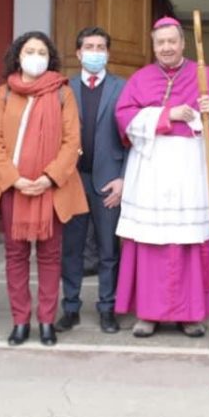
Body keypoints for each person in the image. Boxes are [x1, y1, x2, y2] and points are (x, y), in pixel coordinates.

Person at [114, 16, 209, 338]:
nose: (166, 47)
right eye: (160, 42)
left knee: (189, 244)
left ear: (183, 43)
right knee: (150, 244)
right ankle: (148, 314)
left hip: (190, 168)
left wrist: (208, 114)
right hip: (151, 170)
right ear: (153, 46)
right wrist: (167, 114)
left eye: (172, 41)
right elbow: (124, 118)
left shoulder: (206, 76)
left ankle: (190, 314)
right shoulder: (140, 78)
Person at [0, 31, 87, 346]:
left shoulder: (62, 94)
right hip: (14, 188)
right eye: (29, 50)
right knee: (15, 255)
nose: (35, 56)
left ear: (50, 58)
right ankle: (20, 321)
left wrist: (49, 177)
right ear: (18, 56)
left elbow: (72, 141)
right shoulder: (2, 94)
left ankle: (45, 321)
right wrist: (14, 179)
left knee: (50, 255)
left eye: (42, 51)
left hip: (51, 189)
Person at [55, 27, 126, 335]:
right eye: (89, 47)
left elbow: (133, 139)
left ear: (108, 53)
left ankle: (107, 308)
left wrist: (124, 179)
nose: (95, 52)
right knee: (71, 247)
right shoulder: (63, 89)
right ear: (79, 53)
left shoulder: (123, 88)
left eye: (101, 47)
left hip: (109, 181)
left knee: (109, 249)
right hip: (72, 180)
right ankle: (70, 306)